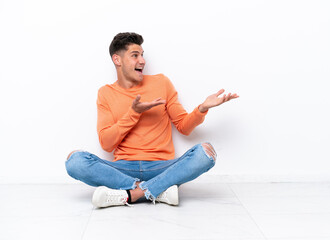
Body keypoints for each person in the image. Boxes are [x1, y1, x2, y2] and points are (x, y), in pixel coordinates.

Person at [65, 32, 238, 208]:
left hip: (162, 167)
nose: (142, 61)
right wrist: (133, 113)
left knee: (205, 153)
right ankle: (157, 190)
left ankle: (131, 195)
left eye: (142, 55)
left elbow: (184, 127)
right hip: (124, 169)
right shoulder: (106, 93)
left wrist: (202, 108)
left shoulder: (161, 82)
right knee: (74, 161)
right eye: (135, 55)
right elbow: (106, 143)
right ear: (117, 60)